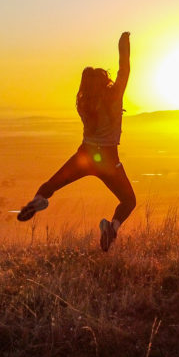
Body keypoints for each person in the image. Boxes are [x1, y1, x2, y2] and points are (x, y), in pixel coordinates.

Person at [17, 32, 136, 251]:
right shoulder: (114, 97)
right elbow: (124, 70)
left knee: (52, 184)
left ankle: (37, 201)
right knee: (129, 201)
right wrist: (123, 44)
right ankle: (112, 228)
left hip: (85, 155)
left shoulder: (83, 104)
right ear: (104, 82)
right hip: (108, 159)